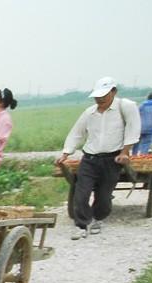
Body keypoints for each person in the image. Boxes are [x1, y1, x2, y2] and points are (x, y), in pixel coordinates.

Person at [56, 76, 141, 239]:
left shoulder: (126, 107)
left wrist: (125, 152)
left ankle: (97, 218)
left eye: (103, 95)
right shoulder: (90, 113)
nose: (99, 99)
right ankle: (81, 225)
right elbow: (76, 133)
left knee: (104, 196)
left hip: (112, 159)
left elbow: (133, 130)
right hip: (89, 159)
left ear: (114, 92)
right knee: (81, 194)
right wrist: (65, 154)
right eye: (97, 96)